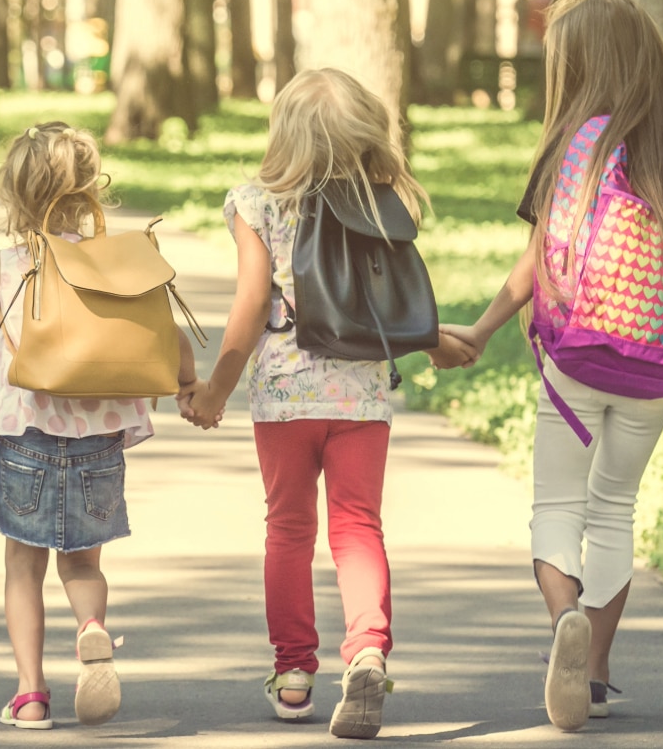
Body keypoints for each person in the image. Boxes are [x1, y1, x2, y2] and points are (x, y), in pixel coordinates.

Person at [441, 0, 663, 732]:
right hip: (660, 361)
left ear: (579, 65)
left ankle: (564, 617)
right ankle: (598, 670)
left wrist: (479, 331)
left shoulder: (579, 143)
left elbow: (536, 260)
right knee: (615, 508)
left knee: (557, 504)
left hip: (578, 356)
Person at [182, 68, 476, 739]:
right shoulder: (381, 204)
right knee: (357, 528)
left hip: (286, 398)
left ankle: (293, 675)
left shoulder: (255, 203)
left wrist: (215, 390)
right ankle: (367, 650)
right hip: (362, 394)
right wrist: (430, 344)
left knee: (288, 529)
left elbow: (254, 303)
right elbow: (384, 298)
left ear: (285, 132)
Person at [0, 121, 200, 730]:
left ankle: (31, 695)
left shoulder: (8, 264)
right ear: (92, 190)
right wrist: (190, 386)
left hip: (27, 439)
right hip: (101, 441)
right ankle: (91, 627)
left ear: (13, 194)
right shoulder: (124, 264)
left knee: (22, 567)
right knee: (83, 565)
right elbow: (171, 342)